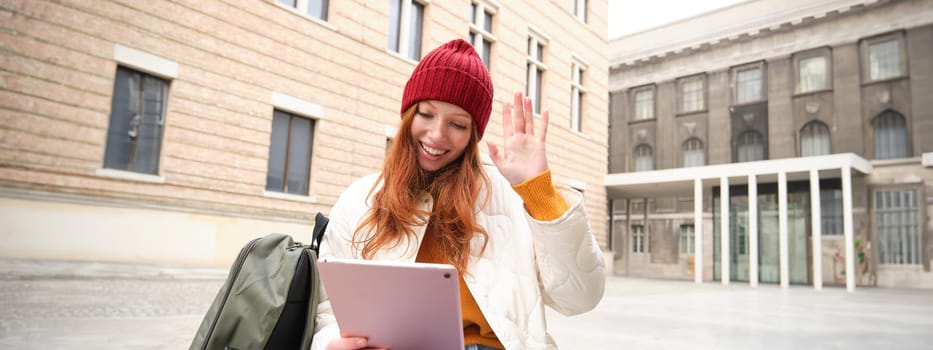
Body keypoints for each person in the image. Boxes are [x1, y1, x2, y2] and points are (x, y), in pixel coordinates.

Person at [312, 38, 605, 350]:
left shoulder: (509, 197)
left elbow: (579, 298)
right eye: (426, 114)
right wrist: (331, 343)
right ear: (408, 114)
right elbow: (329, 310)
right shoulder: (360, 199)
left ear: (473, 135)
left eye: (458, 124)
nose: (437, 134)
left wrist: (540, 195)